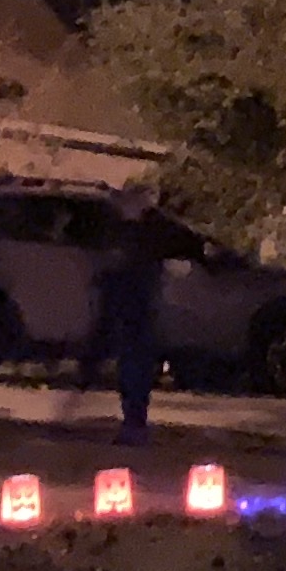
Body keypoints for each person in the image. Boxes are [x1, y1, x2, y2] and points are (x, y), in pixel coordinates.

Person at [89, 189, 193, 444]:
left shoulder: (138, 234)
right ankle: (134, 423)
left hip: (136, 310)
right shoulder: (140, 233)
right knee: (134, 364)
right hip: (136, 311)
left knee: (134, 365)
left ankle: (134, 423)